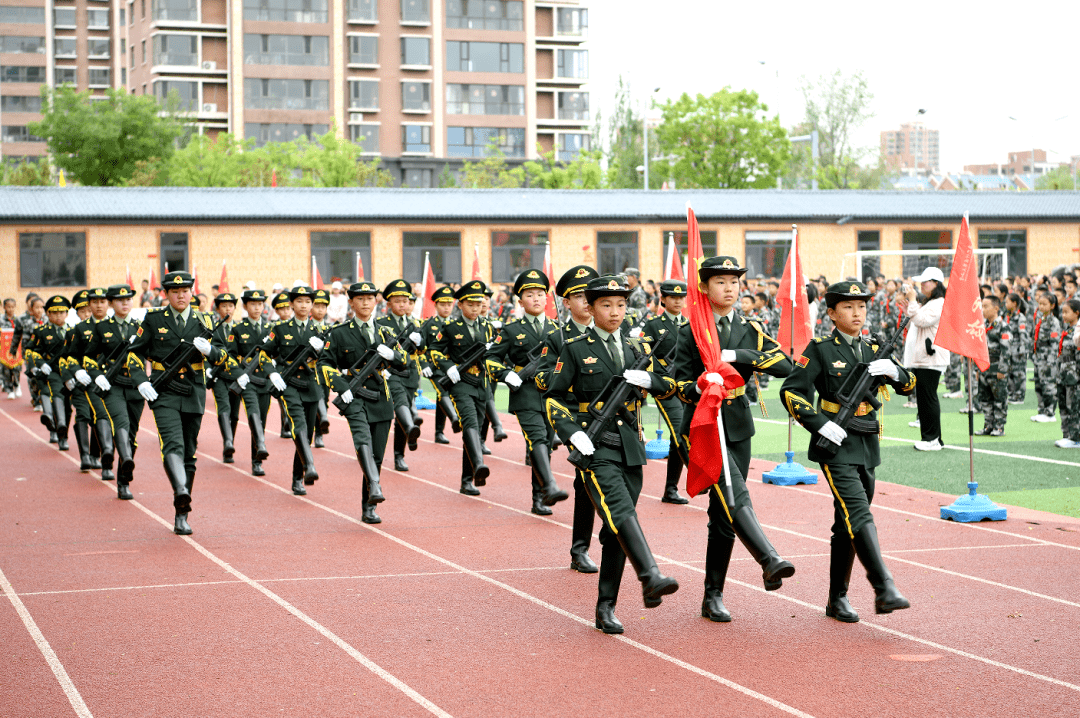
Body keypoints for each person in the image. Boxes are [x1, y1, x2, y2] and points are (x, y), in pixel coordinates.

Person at [544, 275, 680, 634]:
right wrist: (573, 434)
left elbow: (671, 385)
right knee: (620, 511)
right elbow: (555, 398)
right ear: (591, 308)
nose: (615, 312)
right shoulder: (574, 347)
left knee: (617, 527)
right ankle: (650, 574)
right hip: (595, 446)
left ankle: (606, 606)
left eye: (621, 304)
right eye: (607, 305)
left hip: (631, 448)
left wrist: (653, 382)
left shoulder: (637, 349)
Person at [779, 280, 915, 623]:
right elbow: (792, 392)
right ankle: (884, 587)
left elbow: (909, 384)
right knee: (858, 512)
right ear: (832, 313)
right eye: (849, 307)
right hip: (835, 444)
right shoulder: (821, 348)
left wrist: (895, 371)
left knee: (847, 523)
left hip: (867, 443)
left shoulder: (873, 348)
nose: (857, 313)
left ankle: (836, 598)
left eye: (862, 307)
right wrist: (819, 423)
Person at [673, 256, 796, 623]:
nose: (729, 288)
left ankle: (713, 595)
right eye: (721, 282)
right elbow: (676, 382)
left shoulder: (750, 328)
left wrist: (736, 356)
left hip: (737, 422)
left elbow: (785, 365)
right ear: (705, 289)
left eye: (734, 282)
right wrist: (698, 385)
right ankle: (768, 558)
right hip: (701, 424)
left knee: (723, 512)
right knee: (731, 493)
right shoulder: (691, 331)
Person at [127, 272, 216, 535]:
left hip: (193, 391)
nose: (181, 295)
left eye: (185, 291)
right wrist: (140, 380)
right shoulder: (154, 320)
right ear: (166, 294)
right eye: (175, 291)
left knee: (189, 451)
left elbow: (224, 356)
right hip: (163, 392)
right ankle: (181, 490)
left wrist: (211, 351)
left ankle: (181, 512)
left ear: (192, 292)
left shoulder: (204, 320)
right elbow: (134, 353)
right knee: (172, 443)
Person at [319, 281, 405, 523]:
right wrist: (341, 386)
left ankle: (368, 505)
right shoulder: (339, 333)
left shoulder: (386, 332)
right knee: (362, 438)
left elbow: (405, 361)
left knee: (377, 454)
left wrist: (394, 355)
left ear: (376, 301)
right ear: (351, 302)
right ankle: (375, 488)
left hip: (381, 397)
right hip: (353, 395)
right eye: (360, 298)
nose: (366, 302)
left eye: (370, 298)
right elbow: (324, 363)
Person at [486, 269, 569, 515]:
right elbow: (491, 358)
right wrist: (506, 374)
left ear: (547, 299)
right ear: (520, 302)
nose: (536, 299)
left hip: (553, 393)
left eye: (540, 294)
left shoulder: (558, 329)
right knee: (537, 439)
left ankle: (541, 494)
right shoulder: (512, 330)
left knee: (546, 442)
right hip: (526, 393)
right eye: (529, 295)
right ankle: (547, 489)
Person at [536, 264, 601, 573]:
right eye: (578, 296)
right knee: (586, 481)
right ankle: (580, 549)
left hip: (612, 416)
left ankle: (610, 528)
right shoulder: (556, 336)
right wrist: (565, 372)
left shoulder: (611, 332)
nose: (586, 301)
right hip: (576, 416)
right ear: (566, 302)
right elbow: (542, 377)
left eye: (591, 294)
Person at [429, 280, 494, 495]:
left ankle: (468, 479)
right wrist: (448, 367)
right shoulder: (451, 327)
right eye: (471, 304)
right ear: (461, 305)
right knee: (469, 423)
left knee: (477, 425)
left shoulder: (488, 327)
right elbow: (435, 350)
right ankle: (479, 465)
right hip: (460, 382)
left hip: (481, 383)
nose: (476, 308)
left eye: (479, 303)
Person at [258, 286, 323, 496]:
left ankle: (297, 476)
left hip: (312, 386)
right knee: (298, 424)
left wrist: (321, 350)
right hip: (289, 384)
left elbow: (331, 361)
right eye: (299, 301)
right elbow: (263, 355)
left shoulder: (320, 332)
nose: (304, 305)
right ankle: (310, 467)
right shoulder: (280, 329)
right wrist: (272, 373)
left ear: (312, 305)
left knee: (308, 433)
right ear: (292, 304)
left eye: (307, 301)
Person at [80, 285, 141, 499]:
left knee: (132, 433)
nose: (125, 303)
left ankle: (123, 477)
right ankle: (126, 458)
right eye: (119, 300)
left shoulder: (140, 327)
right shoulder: (102, 327)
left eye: (128, 299)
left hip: (135, 386)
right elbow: (88, 357)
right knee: (120, 422)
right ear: (112, 303)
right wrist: (96, 375)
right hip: (112, 385)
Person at [640, 279, 690, 504]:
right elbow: (643, 355)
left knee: (677, 436)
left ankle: (670, 489)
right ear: (663, 300)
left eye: (681, 297)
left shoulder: (690, 324)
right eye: (673, 297)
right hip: (664, 387)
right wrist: (661, 375)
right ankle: (702, 476)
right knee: (680, 429)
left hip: (687, 386)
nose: (678, 301)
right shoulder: (653, 325)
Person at [215, 288, 273, 475]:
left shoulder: (270, 329)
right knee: (253, 413)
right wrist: (239, 373)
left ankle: (257, 456)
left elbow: (277, 353)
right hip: (246, 380)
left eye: (260, 304)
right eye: (253, 304)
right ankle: (258, 459)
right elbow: (230, 355)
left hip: (264, 380)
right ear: (246, 307)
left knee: (261, 419)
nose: (257, 308)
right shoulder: (238, 330)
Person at [376, 280, 425, 472]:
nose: (402, 304)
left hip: (410, 373)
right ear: (388, 304)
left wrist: (420, 343)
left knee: (400, 415)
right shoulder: (381, 323)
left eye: (406, 300)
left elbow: (422, 351)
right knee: (399, 404)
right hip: (390, 373)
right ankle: (410, 426)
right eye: (397, 301)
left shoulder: (415, 324)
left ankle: (399, 455)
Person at [65, 288, 114, 475]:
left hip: (112, 381)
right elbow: (71, 356)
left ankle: (97, 454)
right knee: (96, 415)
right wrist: (76, 372)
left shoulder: (115, 326)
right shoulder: (81, 329)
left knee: (104, 419)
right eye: (94, 302)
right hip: (88, 382)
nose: (98, 306)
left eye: (102, 301)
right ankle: (99, 457)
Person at [902, 268, 949, 451]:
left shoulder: (939, 303)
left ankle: (933, 439)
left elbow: (921, 320)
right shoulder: (931, 302)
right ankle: (931, 437)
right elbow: (917, 319)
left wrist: (913, 301)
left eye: (926, 281)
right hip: (925, 357)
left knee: (928, 397)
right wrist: (910, 305)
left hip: (931, 356)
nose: (922, 285)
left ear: (936, 283)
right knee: (924, 398)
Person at [27, 295, 73, 451]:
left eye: (62, 312)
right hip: (51, 372)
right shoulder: (41, 331)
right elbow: (32, 350)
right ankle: (61, 434)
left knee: (67, 407)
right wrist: (38, 365)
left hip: (71, 373)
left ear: (67, 313)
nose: (58, 315)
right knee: (56, 397)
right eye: (54, 312)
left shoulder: (73, 331)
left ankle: (60, 428)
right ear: (48, 314)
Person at [206, 293, 241, 463]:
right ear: (218, 309)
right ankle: (227, 441)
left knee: (234, 414)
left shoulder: (240, 328)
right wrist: (207, 369)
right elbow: (204, 352)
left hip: (236, 376)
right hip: (219, 375)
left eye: (230, 306)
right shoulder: (213, 328)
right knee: (223, 406)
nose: (228, 309)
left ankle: (230, 444)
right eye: (224, 306)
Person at [422, 286, 459, 444]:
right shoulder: (428, 325)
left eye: (449, 304)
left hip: (450, 367)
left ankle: (439, 432)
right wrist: (424, 364)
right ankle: (455, 419)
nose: (446, 307)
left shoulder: (456, 325)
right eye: (442, 304)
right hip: (433, 368)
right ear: (436, 306)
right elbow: (421, 348)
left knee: (441, 397)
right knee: (442, 391)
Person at [974, 296, 1010, 437]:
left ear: (996, 308)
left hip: (996, 367)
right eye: (982, 306)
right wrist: (978, 369)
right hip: (984, 367)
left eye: (986, 306)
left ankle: (999, 427)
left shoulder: (1003, 325)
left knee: (999, 398)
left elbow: (1006, 350)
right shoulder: (983, 325)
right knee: (985, 398)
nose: (983, 310)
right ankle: (988, 426)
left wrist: (1002, 370)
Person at [1032, 292, 1062, 423]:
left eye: (1044, 304)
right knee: (1039, 385)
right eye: (1040, 304)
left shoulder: (1053, 321)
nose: (1041, 306)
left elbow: (1055, 344)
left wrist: (1051, 362)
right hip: (1039, 357)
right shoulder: (1041, 319)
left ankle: (1050, 412)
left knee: (1048, 385)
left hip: (1048, 359)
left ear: (1052, 306)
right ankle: (1041, 410)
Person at [1055, 299, 1080, 448]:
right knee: (1063, 405)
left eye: (1066, 312)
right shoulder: (1067, 330)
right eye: (1062, 312)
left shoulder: (1078, 332)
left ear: (1077, 313)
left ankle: (1076, 437)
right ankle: (1067, 435)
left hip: (1074, 377)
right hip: (1063, 375)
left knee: (1074, 407)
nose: (1063, 315)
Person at [310, 289, 333, 449]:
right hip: (308, 372)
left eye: (323, 306)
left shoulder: (331, 329)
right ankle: (311, 432)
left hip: (324, 373)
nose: (320, 310)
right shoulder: (307, 327)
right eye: (317, 306)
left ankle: (319, 433)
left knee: (323, 401)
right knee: (311, 404)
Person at [1004, 293, 1030, 405]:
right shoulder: (1007, 317)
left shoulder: (1020, 318)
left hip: (1018, 350)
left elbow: (1022, 335)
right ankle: (1013, 394)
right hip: (1009, 349)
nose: (1005, 304)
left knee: (1019, 373)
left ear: (1014, 303)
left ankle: (1019, 396)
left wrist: (1022, 350)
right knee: (1010, 373)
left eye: (1007, 302)